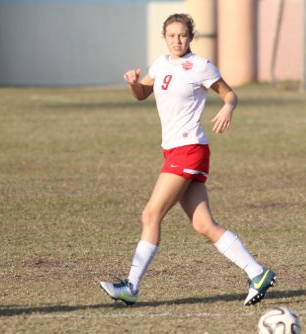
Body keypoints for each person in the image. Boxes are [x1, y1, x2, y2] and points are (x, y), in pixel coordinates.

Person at [100, 13, 275, 306]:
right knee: (204, 225)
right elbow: (143, 93)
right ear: (165, 38)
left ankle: (131, 286)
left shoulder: (201, 66)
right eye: (171, 36)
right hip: (174, 149)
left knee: (150, 214)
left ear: (190, 37)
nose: (177, 40)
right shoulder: (160, 64)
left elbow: (230, 94)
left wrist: (227, 108)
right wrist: (133, 83)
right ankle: (257, 273)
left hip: (189, 148)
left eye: (182, 35)